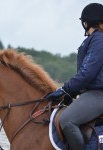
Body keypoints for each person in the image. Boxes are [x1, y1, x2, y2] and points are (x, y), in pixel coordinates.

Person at [46, 3, 103, 150]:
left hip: (98, 94)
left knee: (67, 119)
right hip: (91, 93)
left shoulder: (98, 39)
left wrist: (66, 89)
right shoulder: (96, 39)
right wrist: (73, 92)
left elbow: (87, 73)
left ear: (86, 22)